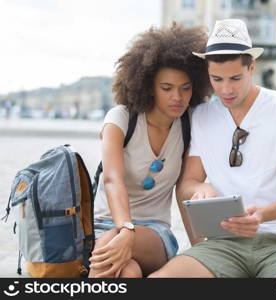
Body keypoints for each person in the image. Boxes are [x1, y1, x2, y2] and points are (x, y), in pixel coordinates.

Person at [149, 19, 276, 278]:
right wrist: (200, 188)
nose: (226, 89)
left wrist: (262, 215)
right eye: (216, 79)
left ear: (252, 67)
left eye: (235, 78)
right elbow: (188, 182)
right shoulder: (201, 114)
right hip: (223, 244)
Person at [88, 23, 212, 278]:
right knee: (128, 272)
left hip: (155, 234)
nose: (177, 97)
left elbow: (184, 191)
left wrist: (202, 251)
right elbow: (112, 180)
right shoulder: (121, 119)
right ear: (148, 86)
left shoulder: (189, 126)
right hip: (104, 225)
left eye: (185, 87)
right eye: (166, 88)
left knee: (114, 245)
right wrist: (125, 229)